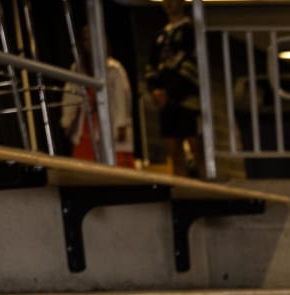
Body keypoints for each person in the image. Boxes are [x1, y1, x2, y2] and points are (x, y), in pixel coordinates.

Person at [60, 26, 134, 167]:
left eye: (92, 38)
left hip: (109, 131)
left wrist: (121, 126)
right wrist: (67, 122)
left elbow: (121, 100)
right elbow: (70, 97)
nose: (89, 43)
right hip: (85, 130)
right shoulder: (77, 69)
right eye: (86, 39)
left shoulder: (114, 68)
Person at [143, 0, 200, 176]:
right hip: (167, 104)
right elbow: (151, 68)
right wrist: (155, 90)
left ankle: (205, 190)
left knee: (198, 150)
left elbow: (193, 66)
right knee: (174, 153)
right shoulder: (160, 36)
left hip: (188, 100)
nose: (168, 4)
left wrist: (172, 91)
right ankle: (181, 193)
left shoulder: (191, 31)